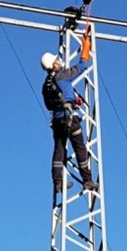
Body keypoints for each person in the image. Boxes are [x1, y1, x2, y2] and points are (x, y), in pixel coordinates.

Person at [41, 34, 99, 193]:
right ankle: (87, 181)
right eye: (56, 61)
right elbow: (82, 66)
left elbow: (48, 105)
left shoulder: (45, 86)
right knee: (80, 148)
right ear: (53, 65)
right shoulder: (62, 76)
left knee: (59, 150)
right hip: (69, 118)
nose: (59, 62)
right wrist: (86, 48)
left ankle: (58, 183)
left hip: (58, 120)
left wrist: (69, 99)